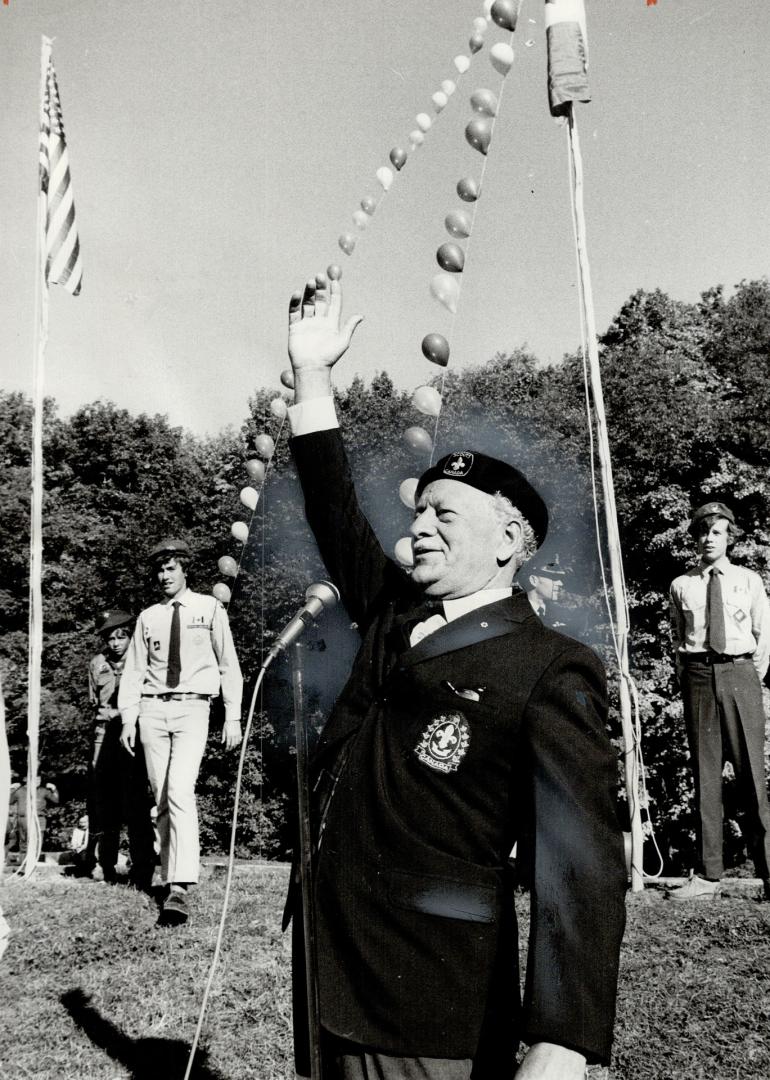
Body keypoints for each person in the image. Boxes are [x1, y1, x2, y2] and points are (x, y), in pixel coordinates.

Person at [282, 271, 627, 1080]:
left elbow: (579, 865)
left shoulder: (551, 669)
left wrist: (565, 1040)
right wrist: (311, 377)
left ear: (509, 537)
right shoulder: (396, 616)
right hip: (332, 976)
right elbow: (335, 512)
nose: (420, 527)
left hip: (430, 1001)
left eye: (445, 513)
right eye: (418, 511)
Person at [118, 538, 243, 925]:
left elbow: (228, 665)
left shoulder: (208, 608)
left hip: (193, 707)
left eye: (171, 568)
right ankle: (170, 874)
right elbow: (134, 670)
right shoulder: (148, 617)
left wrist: (232, 716)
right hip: (153, 711)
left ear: (184, 569)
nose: (164, 575)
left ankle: (180, 886)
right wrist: (128, 717)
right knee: (161, 797)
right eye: (159, 570)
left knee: (179, 790)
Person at [668, 501, 770, 900]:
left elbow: (765, 636)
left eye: (717, 532)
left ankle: (768, 873)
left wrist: (747, 677)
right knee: (705, 778)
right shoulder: (682, 584)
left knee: (752, 780)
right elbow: (678, 639)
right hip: (697, 678)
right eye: (702, 531)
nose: (708, 538)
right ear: (695, 537)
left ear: (730, 538)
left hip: (740, 674)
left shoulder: (749, 580)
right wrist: (694, 677)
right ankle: (709, 876)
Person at [83, 609, 156, 888]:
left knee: (136, 801)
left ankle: (143, 868)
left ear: (129, 636)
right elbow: (95, 703)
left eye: (120, 637)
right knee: (104, 803)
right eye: (109, 638)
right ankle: (106, 865)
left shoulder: (142, 660)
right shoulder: (97, 664)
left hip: (132, 733)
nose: (114, 643)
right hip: (104, 735)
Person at [8, 775, 59, 857]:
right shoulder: (20, 790)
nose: (38, 781)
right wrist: (11, 788)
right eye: (35, 779)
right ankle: (24, 863)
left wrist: (54, 788)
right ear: (27, 780)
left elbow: (56, 800)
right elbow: (9, 801)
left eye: (39, 779)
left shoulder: (43, 791)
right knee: (24, 841)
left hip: (39, 819)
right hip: (24, 819)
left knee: (38, 841)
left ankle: (34, 862)